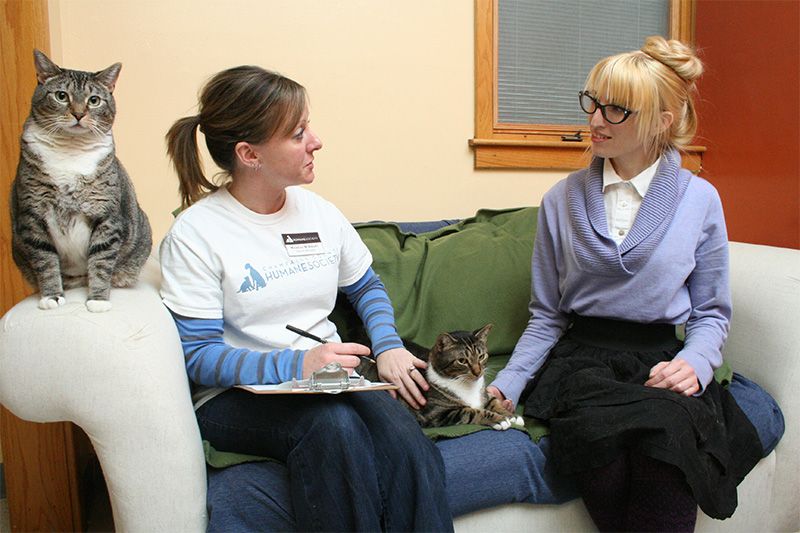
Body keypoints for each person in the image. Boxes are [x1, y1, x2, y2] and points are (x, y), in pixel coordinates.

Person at [487, 36, 784, 532]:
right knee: (599, 448)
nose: (596, 121)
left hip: (660, 363)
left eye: (616, 109)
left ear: (661, 121)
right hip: (582, 366)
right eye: (593, 103)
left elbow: (711, 313)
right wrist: (510, 383)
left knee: (666, 445)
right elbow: (548, 314)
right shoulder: (560, 201)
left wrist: (694, 362)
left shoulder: (700, 200)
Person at [160, 65, 454, 532]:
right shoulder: (197, 235)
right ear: (248, 153)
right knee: (332, 428)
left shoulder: (319, 213)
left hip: (326, 377)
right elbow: (197, 356)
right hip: (234, 397)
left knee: (403, 439)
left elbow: (365, 286)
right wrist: (296, 366)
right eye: (298, 134)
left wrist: (388, 345)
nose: (316, 141)